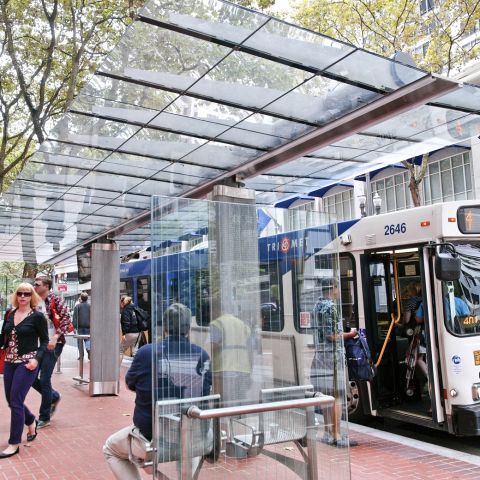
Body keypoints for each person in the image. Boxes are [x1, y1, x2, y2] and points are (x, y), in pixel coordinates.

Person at [103, 303, 211, 480]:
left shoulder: (146, 352)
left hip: (154, 439)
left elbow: (130, 383)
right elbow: (206, 391)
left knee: (110, 449)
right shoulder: (202, 355)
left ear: (165, 327)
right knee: (188, 444)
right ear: (188, 327)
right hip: (196, 437)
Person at [0, 283, 48, 458]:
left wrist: (36, 359)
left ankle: (14, 443)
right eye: (20, 293)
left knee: (16, 401)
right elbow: (4, 336)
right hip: (9, 362)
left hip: (27, 363)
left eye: (26, 294)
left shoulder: (37, 317)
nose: (22, 297)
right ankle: (31, 421)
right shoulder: (10, 314)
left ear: (31, 296)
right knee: (11, 401)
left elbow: (44, 342)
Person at [310, 278, 357, 448]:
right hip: (332, 357)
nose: (338, 291)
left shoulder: (317, 306)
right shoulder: (331, 307)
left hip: (320, 355)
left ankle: (327, 433)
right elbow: (332, 336)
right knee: (336, 395)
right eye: (337, 288)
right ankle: (337, 435)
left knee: (325, 395)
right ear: (333, 288)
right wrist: (350, 334)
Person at [32, 275, 71, 428]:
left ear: (46, 286)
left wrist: (55, 337)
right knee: (30, 377)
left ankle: (45, 416)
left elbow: (66, 318)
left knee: (44, 378)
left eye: (37, 284)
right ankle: (54, 396)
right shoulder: (33, 301)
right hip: (37, 345)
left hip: (53, 345)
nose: (34, 286)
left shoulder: (55, 299)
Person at [73, 292, 91, 359]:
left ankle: (81, 355)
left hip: (79, 327)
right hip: (88, 327)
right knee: (88, 340)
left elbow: (75, 317)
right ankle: (89, 350)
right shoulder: (90, 306)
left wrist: (74, 327)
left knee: (79, 342)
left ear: (81, 298)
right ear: (87, 299)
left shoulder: (77, 306)